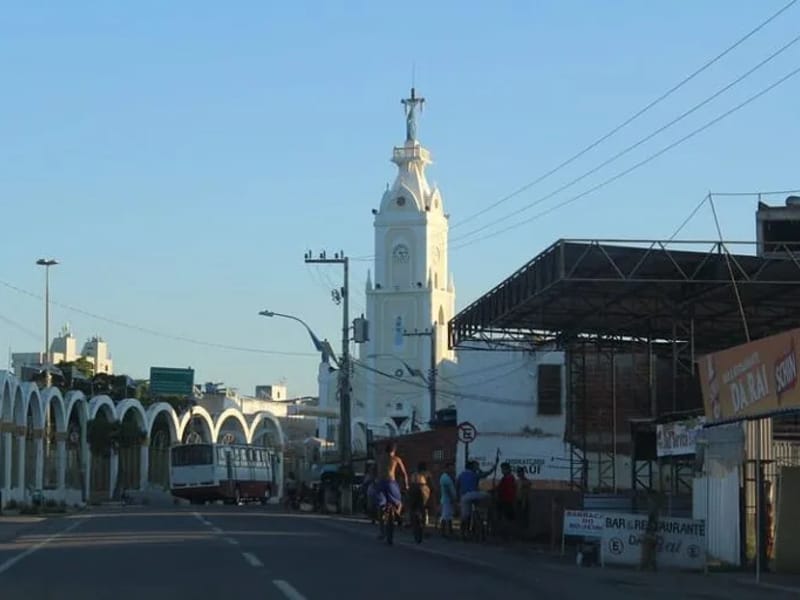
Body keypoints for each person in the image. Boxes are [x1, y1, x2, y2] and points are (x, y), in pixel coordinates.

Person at [374, 441, 409, 534]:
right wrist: (406, 485)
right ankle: (397, 513)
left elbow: (374, 471)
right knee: (399, 501)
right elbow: (404, 473)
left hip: (380, 483)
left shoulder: (379, 458)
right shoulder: (396, 459)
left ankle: (381, 530)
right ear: (394, 450)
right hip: (390, 483)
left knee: (381, 507)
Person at [457, 458, 498, 534]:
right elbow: (486, 474)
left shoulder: (461, 475)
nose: (477, 467)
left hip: (464, 496)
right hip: (474, 494)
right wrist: (493, 467)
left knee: (465, 516)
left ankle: (463, 532)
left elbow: (458, 486)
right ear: (472, 467)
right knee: (488, 496)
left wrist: (458, 498)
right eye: (476, 466)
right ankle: (484, 513)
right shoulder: (474, 474)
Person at [495, 462, 517, 538]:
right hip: (502, 500)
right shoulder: (504, 478)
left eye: (503, 469)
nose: (502, 471)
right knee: (503, 517)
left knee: (508, 518)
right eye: (502, 469)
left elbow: (511, 490)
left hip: (508, 500)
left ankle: (509, 535)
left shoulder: (510, 479)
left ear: (508, 469)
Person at [408, 461, 432, 527]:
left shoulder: (413, 473)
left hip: (413, 488)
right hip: (422, 487)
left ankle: (412, 521)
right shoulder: (426, 473)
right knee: (423, 506)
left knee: (412, 506)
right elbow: (431, 483)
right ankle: (423, 522)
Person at [439, 461, 457, 537]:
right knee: (445, 516)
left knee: (449, 516)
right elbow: (448, 490)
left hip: (449, 499)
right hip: (447, 499)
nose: (452, 469)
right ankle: (443, 531)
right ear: (446, 468)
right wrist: (453, 498)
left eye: (452, 467)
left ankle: (450, 530)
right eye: (450, 468)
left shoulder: (449, 477)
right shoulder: (445, 477)